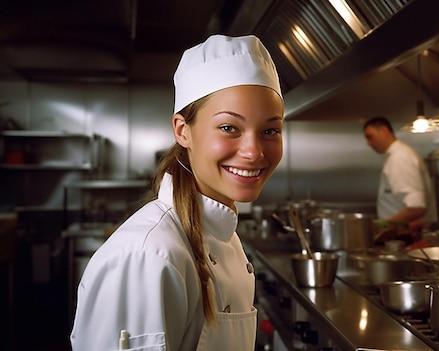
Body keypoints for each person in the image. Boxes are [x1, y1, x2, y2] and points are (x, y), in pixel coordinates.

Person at [70, 34, 284, 350]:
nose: (254, 152)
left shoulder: (223, 235)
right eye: (229, 128)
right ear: (183, 130)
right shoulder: (148, 255)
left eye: (270, 130)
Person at [363, 116, 435, 229]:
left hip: (406, 236)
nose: (368, 143)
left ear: (383, 131)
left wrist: (384, 226)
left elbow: (416, 208)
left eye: (370, 137)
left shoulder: (400, 158)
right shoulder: (397, 155)